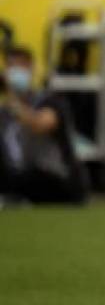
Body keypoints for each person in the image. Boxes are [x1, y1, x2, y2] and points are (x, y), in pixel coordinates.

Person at [0, 45, 88, 206]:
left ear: (31, 68)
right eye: (10, 66)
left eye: (20, 66)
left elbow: (40, 124)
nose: (14, 72)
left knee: (28, 177)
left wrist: (12, 98)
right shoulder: (4, 112)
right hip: (24, 175)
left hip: (58, 179)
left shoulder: (50, 101)